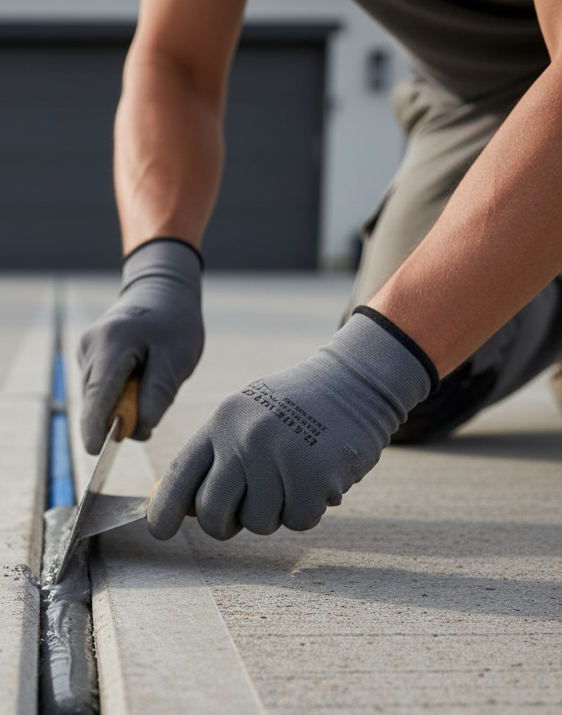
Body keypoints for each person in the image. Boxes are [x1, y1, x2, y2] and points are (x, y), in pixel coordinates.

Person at [79, 0, 562, 543]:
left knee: (400, 358)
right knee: (432, 388)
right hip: (477, 97)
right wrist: (158, 269)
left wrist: (364, 378)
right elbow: (175, 61)